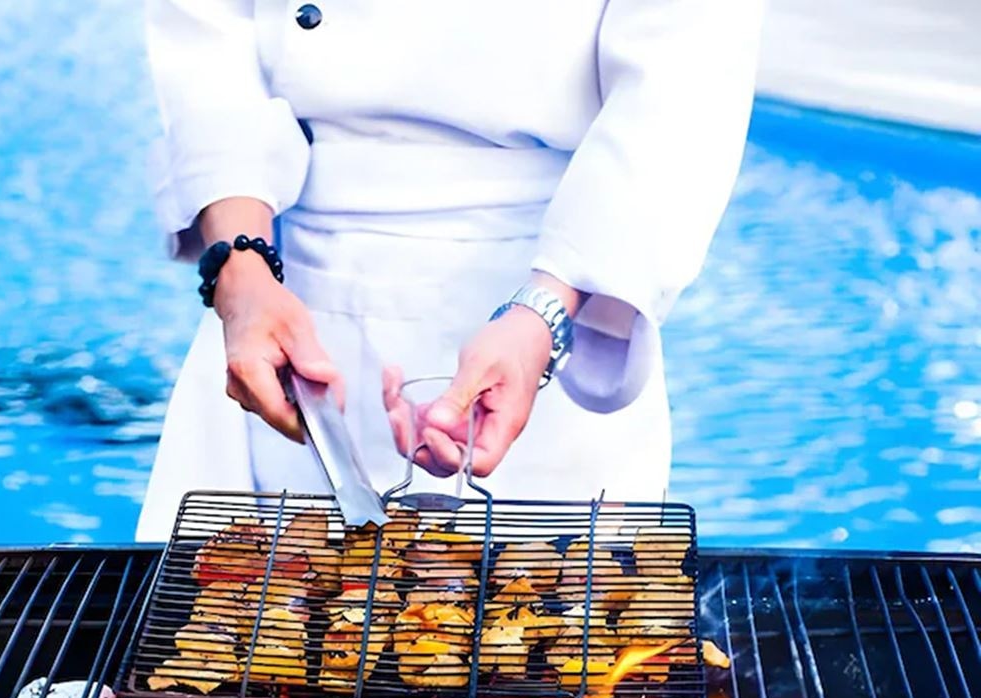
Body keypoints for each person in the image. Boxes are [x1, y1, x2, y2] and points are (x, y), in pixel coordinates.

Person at [135, 1, 764, 541]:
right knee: (240, 646)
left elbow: (684, 82)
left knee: (555, 648)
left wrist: (542, 315)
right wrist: (240, 269)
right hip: (290, 299)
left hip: (554, 301)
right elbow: (207, 36)